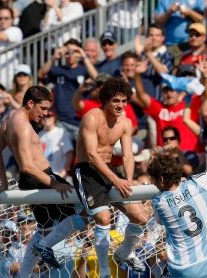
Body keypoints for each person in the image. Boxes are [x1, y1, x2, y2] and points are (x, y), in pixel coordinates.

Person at [0, 86, 87, 275]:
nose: (45, 113)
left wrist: (4, 182)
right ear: (30, 103)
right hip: (40, 178)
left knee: (44, 229)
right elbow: (26, 165)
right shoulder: (23, 125)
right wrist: (54, 183)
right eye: (42, 108)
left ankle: (25, 273)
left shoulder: (9, 118)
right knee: (86, 210)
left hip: (30, 180)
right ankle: (44, 247)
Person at [73, 78, 151, 277]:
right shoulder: (91, 117)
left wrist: (130, 179)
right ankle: (106, 272)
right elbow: (91, 155)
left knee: (141, 217)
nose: (120, 105)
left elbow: (127, 155)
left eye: (124, 101)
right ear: (105, 100)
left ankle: (123, 252)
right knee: (103, 218)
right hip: (87, 171)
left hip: (109, 170)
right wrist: (117, 180)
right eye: (116, 100)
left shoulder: (125, 122)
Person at [147, 153, 207, 278]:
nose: (154, 184)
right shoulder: (198, 182)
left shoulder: (159, 202)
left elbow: (160, 221)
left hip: (183, 269)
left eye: (153, 180)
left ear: (161, 179)